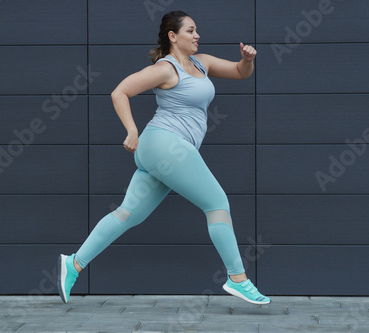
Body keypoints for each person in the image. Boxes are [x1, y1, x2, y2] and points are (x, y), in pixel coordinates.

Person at [57, 10, 270, 305]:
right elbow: (120, 92)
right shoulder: (165, 69)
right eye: (191, 31)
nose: (197, 36)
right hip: (165, 144)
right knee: (217, 203)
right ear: (173, 36)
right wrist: (131, 131)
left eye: (197, 31)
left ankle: (74, 264)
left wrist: (248, 59)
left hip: (162, 152)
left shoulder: (202, 62)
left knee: (128, 214)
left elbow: (238, 72)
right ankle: (238, 278)